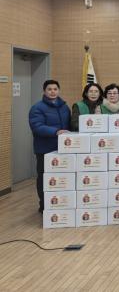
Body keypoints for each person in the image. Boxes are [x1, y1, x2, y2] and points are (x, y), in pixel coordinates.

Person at [28, 80, 71, 213]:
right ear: (44, 91)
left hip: (63, 149)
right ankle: (44, 206)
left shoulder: (65, 107)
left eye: (55, 89)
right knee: (44, 178)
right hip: (45, 150)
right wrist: (55, 131)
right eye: (49, 89)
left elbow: (69, 126)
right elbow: (37, 127)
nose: (52, 91)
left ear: (59, 90)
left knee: (61, 178)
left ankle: (59, 204)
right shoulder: (37, 108)